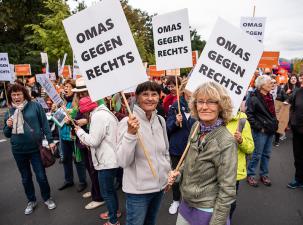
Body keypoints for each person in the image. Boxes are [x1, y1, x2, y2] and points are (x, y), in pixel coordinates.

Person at [168, 81, 237, 225]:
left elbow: (227, 190)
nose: (204, 107)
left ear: (221, 106)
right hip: (186, 204)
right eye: (200, 101)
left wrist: (217, 222)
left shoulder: (226, 141)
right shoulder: (196, 126)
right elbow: (188, 161)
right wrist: (178, 173)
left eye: (211, 102)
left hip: (207, 210)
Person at [117, 81, 171, 225]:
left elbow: (165, 152)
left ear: (159, 97)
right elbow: (122, 161)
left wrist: (167, 174)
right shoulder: (126, 122)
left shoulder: (160, 120)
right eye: (145, 94)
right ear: (137, 97)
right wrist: (130, 134)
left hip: (159, 188)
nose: (150, 98)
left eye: (154, 94)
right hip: (138, 193)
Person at [3, 84, 56, 215]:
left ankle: (47, 198)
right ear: (10, 96)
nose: (16, 97)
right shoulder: (9, 111)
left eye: (19, 94)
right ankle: (31, 200)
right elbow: (7, 134)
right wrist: (8, 126)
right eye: (13, 95)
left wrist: (50, 141)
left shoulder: (35, 106)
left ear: (24, 94)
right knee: (26, 178)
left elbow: (45, 124)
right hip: (18, 150)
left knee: (41, 176)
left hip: (35, 149)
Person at [75, 88, 120, 225]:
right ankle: (115, 212)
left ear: (87, 110)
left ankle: (113, 220)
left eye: (84, 113)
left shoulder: (98, 116)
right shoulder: (103, 112)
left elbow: (93, 141)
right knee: (110, 190)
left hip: (106, 160)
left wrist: (80, 132)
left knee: (106, 192)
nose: (85, 116)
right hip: (110, 158)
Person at [71, 78, 105, 210]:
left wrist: (86, 121)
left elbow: (102, 120)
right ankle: (95, 190)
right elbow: (76, 115)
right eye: (79, 93)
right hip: (83, 140)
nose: (81, 95)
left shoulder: (98, 100)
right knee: (89, 168)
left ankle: (99, 196)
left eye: (83, 92)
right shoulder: (77, 101)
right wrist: (72, 120)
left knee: (95, 169)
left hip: (93, 140)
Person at [166, 86, 196, 215]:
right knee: (176, 176)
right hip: (177, 148)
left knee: (191, 176)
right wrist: (175, 122)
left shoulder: (198, 106)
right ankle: (176, 200)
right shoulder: (175, 106)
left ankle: (188, 201)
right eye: (190, 89)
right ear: (184, 90)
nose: (193, 92)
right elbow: (167, 128)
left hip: (193, 148)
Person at [246, 75, 278, 187]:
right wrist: (260, 128)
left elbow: (272, 114)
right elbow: (249, 115)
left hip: (270, 130)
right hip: (261, 131)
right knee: (257, 155)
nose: (271, 84)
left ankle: (264, 174)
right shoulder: (253, 98)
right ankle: (250, 175)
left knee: (267, 154)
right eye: (269, 82)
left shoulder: (269, 96)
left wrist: (275, 124)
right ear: (262, 85)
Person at [58, 78, 87, 192]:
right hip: (63, 135)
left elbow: (81, 117)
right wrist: (56, 111)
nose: (66, 89)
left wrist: (71, 118)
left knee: (78, 160)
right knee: (65, 159)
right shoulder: (62, 102)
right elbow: (58, 118)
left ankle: (82, 181)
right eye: (65, 87)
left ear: (74, 89)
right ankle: (68, 180)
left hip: (74, 136)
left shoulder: (78, 102)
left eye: (68, 87)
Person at [226, 109, 254, 219]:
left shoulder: (242, 122)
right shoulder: (214, 118)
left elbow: (250, 148)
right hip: (214, 169)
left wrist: (241, 140)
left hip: (233, 171)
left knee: (229, 202)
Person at [287, 73, 303, 188]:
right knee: (298, 156)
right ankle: (298, 179)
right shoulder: (298, 92)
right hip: (297, 131)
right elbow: (289, 104)